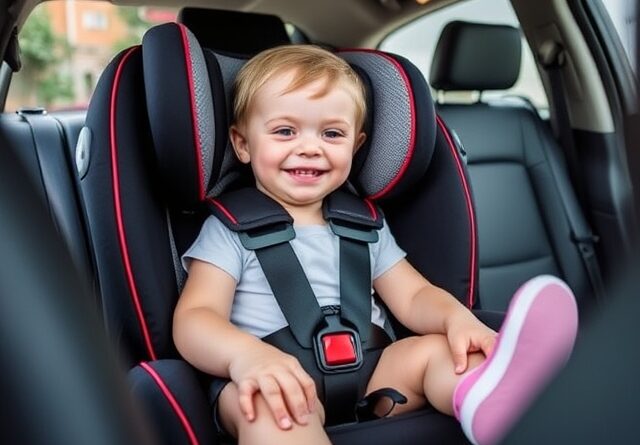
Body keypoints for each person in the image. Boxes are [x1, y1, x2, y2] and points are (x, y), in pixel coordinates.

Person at [173, 45, 578, 445]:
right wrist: (245, 358)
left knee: (438, 352)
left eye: (332, 133)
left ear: (357, 144)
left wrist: (456, 320)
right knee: (269, 409)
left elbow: (414, 296)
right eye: (285, 131)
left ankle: (495, 400)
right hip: (274, 378)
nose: (310, 147)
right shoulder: (228, 230)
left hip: (374, 379)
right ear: (242, 144)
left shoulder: (365, 224)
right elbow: (196, 317)